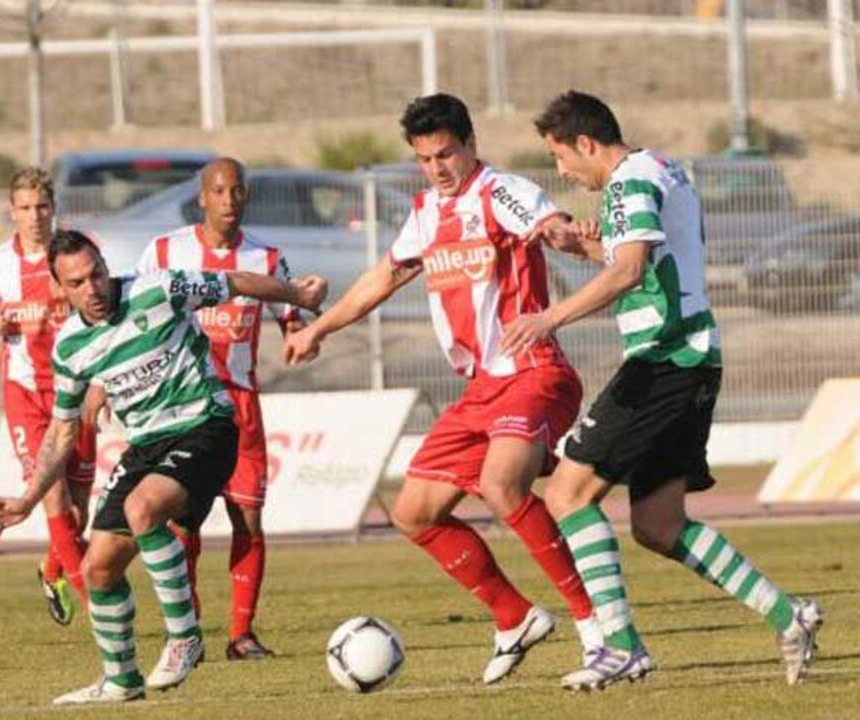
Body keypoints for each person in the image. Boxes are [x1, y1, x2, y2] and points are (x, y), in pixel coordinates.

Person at [285, 93, 602, 684]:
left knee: (500, 485)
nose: (438, 167)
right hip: (481, 389)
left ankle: (596, 627)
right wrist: (320, 328)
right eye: (426, 158)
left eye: (447, 154)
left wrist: (565, 231)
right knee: (414, 512)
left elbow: (545, 220)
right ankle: (515, 618)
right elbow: (384, 276)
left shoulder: (499, 191)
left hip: (533, 370)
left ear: (471, 145)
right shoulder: (427, 211)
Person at [511, 89, 822, 691]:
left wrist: (549, 318)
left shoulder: (628, 182)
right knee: (657, 523)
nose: (562, 172)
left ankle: (621, 645)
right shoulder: (660, 168)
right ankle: (791, 615)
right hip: (693, 359)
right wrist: (581, 245)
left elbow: (628, 271)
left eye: (559, 157)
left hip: (664, 359)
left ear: (586, 143)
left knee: (568, 493)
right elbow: (642, 260)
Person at [0, 230, 327, 704]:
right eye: (78, 282)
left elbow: (238, 282)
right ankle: (121, 681)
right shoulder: (72, 348)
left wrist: (298, 295)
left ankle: (185, 635)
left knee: (144, 509)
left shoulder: (158, 288)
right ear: (61, 289)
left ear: (106, 265)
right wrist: (25, 501)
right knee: (98, 568)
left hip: (207, 424)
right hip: (146, 446)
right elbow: (61, 434)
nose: (93, 288)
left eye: (97, 273)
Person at [136, 157, 306, 660]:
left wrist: (302, 339)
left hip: (240, 408)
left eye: (237, 191)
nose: (229, 201)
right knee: (181, 523)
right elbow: (136, 317)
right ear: (202, 197)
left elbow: (292, 320)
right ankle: (184, 633)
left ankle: (242, 634)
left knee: (248, 521)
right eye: (219, 191)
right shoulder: (166, 251)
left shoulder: (268, 259)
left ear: (245, 196)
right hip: (182, 407)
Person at [0, 167, 96, 626]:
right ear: (12, 211)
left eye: (41, 206)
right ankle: (98, 609)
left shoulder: (75, 255)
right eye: (25, 208)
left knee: (79, 511)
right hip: (25, 394)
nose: (34, 216)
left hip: (76, 390)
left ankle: (51, 569)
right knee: (53, 494)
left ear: (53, 208)